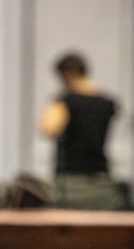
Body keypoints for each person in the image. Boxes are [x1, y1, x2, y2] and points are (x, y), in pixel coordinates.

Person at [38, 51, 121, 210]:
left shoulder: (65, 102)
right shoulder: (107, 102)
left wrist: (56, 103)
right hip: (102, 180)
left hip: (70, 183)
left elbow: (47, 129)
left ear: (66, 75)